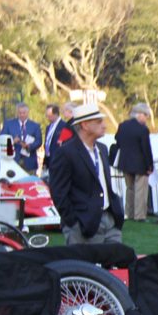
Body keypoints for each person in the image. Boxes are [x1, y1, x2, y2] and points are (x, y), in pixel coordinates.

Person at [48, 103, 123, 245]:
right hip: (83, 224)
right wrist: (74, 223)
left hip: (110, 221)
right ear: (85, 125)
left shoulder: (102, 149)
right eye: (99, 122)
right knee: (84, 267)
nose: (104, 125)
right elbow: (58, 192)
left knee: (116, 265)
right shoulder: (66, 153)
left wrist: (116, 213)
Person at [112, 103, 154, 221]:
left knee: (129, 188)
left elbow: (117, 140)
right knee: (141, 190)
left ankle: (129, 213)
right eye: (146, 115)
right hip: (140, 163)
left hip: (125, 162)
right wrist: (149, 165)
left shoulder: (122, 126)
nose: (146, 118)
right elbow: (146, 148)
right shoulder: (143, 129)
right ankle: (139, 215)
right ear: (140, 114)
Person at [2, 102, 42, 175]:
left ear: (28, 113)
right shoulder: (9, 124)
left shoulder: (35, 126)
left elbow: (39, 141)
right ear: (17, 113)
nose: (22, 115)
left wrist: (29, 146)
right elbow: (2, 139)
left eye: (24, 113)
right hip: (13, 160)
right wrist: (12, 142)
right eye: (20, 113)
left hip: (29, 160)